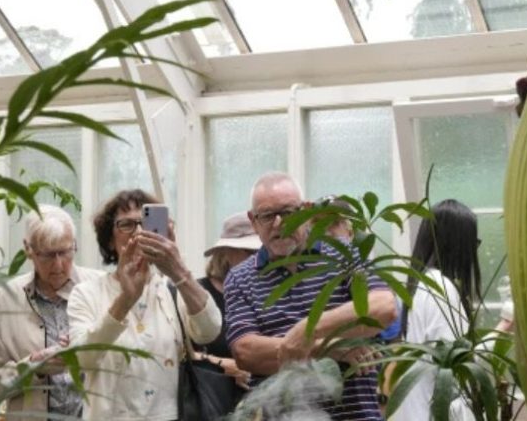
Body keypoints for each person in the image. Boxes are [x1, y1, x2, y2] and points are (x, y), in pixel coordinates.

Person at [224, 172, 398, 421]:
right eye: (266, 216)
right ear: (253, 221)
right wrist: (331, 348)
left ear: (305, 211)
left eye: (287, 212)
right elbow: (246, 353)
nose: (278, 224)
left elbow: (383, 307)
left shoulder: (344, 256)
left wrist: (308, 329)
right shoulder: (240, 278)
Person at [67, 189, 220, 420]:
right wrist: (125, 300)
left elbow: (210, 331)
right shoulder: (87, 293)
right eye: (126, 225)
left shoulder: (171, 288)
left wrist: (178, 270)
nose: (138, 232)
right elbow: (81, 360)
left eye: (147, 223)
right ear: (109, 239)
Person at [0, 205, 104, 420]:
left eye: (65, 252)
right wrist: (33, 368)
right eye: (47, 255)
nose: (58, 265)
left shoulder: (100, 288)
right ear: (28, 249)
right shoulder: (6, 298)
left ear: (74, 245)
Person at [391, 199, 482, 421]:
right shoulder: (441, 288)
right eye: (473, 244)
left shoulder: (421, 285)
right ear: (458, 245)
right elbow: (454, 370)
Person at [195, 212, 258, 390]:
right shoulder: (197, 294)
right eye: (248, 251)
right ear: (226, 252)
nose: (255, 258)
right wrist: (223, 364)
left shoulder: (265, 292)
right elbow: (180, 352)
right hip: (212, 400)